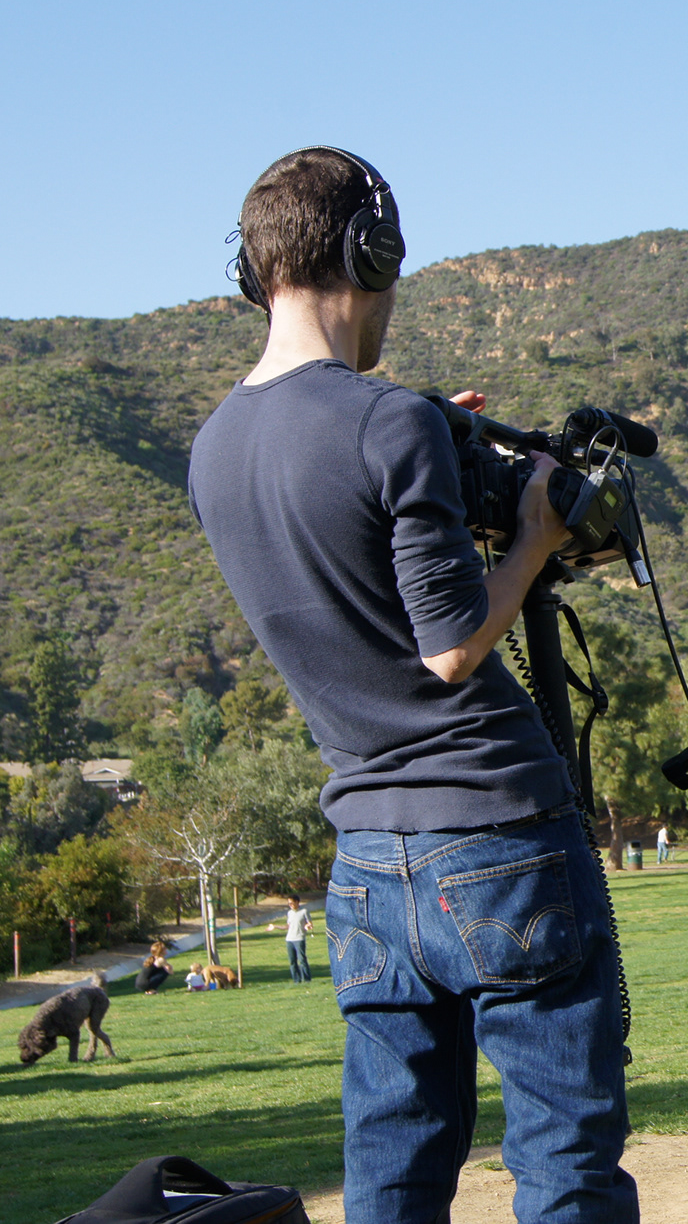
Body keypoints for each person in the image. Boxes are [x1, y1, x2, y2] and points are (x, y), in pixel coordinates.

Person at [187, 146, 636, 1222]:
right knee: (564, 1157)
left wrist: (430, 445)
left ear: (256, 268)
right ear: (371, 251)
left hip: (366, 864)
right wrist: (528, 541)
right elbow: (445, 646)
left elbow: (350, 572)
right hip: (497, 830)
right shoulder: (386, 419)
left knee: (393, 1165)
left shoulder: (212, 448)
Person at [276, 895, 313, 982]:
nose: (290, 905)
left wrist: (308, 926)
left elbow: (309, 923)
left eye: (292, 903)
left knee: (302, 960)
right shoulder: (289, 913)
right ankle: (296, 980)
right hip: (289, 939)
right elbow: (288, 926)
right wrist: (275, 926)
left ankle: (307, 979)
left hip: (299, 938)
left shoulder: (304, 911)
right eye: (289, 903)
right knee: (292, 961)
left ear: (297, 902)